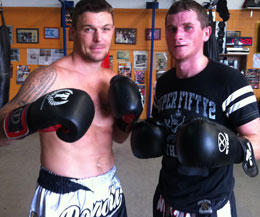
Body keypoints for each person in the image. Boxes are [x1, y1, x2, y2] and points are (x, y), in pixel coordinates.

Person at [0, 0, 143, 216]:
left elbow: (118, 138)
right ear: (73, 33)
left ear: (112, 30)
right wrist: (30, 117)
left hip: (109, 190)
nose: (98, 38)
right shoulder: (48, 78)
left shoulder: (114, 81)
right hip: (63, 195)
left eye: (105, 29)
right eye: (89, 29)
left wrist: (127, 120)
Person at [130, 0, 260, 217]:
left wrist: (231, 148)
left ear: (206, 33)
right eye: (172, 29)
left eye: (187, 27)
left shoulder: (230, 81)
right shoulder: (163, 84)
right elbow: (160, 130)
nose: (178, 35)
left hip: (210, 205)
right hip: (166, 198)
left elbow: (257, 139)